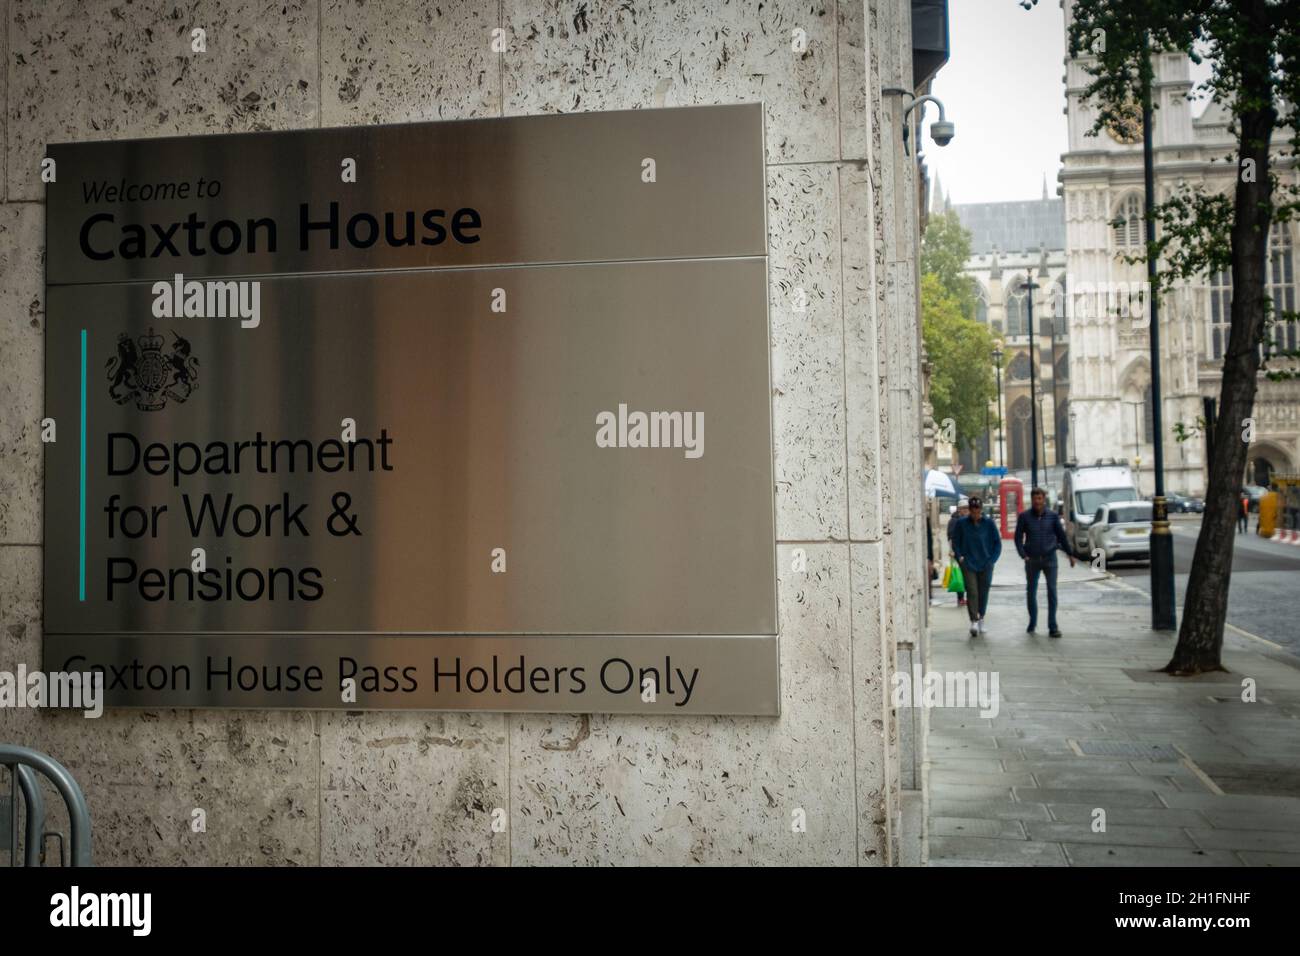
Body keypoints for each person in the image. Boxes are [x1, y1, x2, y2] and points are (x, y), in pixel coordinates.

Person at [1015, 487, 1076, 638]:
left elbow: (1061, 536)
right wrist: (1024, 555)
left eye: (1040, 499)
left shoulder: (1053, 516)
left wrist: (1070, 554)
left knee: (1052, 591)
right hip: (1032, 559)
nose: (1037, 502)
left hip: (1050, 558)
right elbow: (1017, 538)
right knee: (1031, 592)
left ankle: (1052, 626)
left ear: (1044, 499)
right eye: (1035, 499)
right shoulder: (1024, 517)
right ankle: (1032, 622)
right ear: (1032, 500)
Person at [950, 496, 1001, 636]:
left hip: (986, 563)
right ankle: (974, 619)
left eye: (977, 511)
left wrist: (993, 560)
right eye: (972, 511)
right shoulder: (961, 523)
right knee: (972, 591)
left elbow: (997, 543)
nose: (975, 514)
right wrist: (960, 557)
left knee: (983, 592)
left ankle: (981, 617)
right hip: (969, 563)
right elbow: (955, 541)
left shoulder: (989, 524)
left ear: (981, 510)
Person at [946, 503, 969, 606]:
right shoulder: (954, 521)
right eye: (964, 508)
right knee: (960, 575)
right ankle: (960, 598)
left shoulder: (965, 519)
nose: (966, 510)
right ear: (959, 509)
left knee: (965, 575)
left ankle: (963, 597)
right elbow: (951, 537)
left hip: (965, 552)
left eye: (967, 508)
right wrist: (952, 550)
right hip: (957, 552)